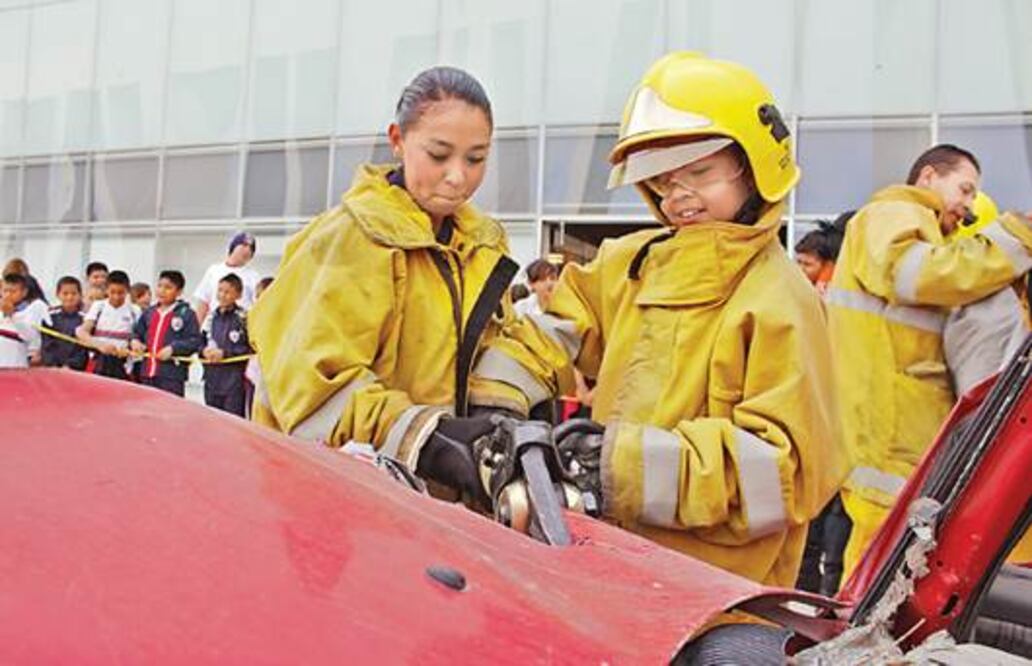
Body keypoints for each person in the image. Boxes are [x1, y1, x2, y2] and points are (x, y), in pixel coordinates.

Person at [473, 52, 848, 587]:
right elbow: (549, 333)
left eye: (700, 172)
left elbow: (782, 473)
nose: (679, 196)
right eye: (664, 180)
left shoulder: (780, 298)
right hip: (605, 561)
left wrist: (619, 465)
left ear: (756, 168)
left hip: (711, 592)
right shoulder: (632, 263)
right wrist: (491, 409)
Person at [249, 66, 548, 500]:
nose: (457, 176)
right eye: (439, 154)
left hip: (442, 505)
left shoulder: (483, 247)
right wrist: (427, 439)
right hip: (343, 499)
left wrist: (500, 409)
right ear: (397, 140)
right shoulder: (349, 238)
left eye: (476, 158)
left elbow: (506, 344)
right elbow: (312, 386)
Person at [826, 144, 1032, 575]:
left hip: (894, 435)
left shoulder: (917, 229)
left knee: (882, 570)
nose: (970, 206)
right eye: (965, 189)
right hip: (889, 436)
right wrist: (1013, 239)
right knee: (877, 574)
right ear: (927, 177)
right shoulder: (894, 213)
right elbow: (919, 274)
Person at [129, 270, 202, 397]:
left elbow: (194, 341)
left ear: (179, 292)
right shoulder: (149, 313)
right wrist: (135, 341)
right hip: (147, 372)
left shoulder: (186, 314)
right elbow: (136, 333)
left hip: (172, 375)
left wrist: (173, 349)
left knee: (169, 412)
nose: (162, 291)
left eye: (168, 287)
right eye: (160, 286)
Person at [202, 274, 251, 416]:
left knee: (233, 423)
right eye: (220, 291)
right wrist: (204, 351)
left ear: (238, 294)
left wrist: (225, 353)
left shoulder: (243, 318)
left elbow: (249, 348)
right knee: (212, 421)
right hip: (211, 380)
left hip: (233, 382)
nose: (222, 295)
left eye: (227, 292)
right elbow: (200, 341)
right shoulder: (211, 317)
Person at [76, 270, 138, 380]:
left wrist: (131, 349)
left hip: (122, 365)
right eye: (112, 292)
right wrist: (99, 345)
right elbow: (81, 332)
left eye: (121, 292)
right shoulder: (99, 306)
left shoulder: (134, 310)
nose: (116, 297)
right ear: (106, 290)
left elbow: (137, 338)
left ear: (128, 290)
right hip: (98, 362)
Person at [194, 232, 260, 327]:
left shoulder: (253, 276)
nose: (248, 250)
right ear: (234, 246)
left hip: (240, 329)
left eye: (251, 248)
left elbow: (258, 306)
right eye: (244, 245)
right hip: (215, 326)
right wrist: (194, 331)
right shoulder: (214, 270)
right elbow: (203, 303)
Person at [794, 212, 850, 295]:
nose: (800, 269)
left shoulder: (829, 290)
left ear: (827, 265)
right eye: (798, 262)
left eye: (807, 264)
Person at [1, 271, 50, 366]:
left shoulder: (32, 309)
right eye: (5, 291)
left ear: (24, 292)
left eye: (13, 291)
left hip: (16, 364)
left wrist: (12, 315)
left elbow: (31, 337)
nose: (8, 295)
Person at [42, 276, 88, 371]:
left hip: (75, 370)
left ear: (80, 295)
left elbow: (83, 348)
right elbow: (47, 344)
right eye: (65, 293)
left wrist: (71, 365)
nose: (69, 297)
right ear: (58, 294)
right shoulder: (50, 317)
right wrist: (52, 365)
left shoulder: (85, 319)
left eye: (74, 293)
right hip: (52, 370)